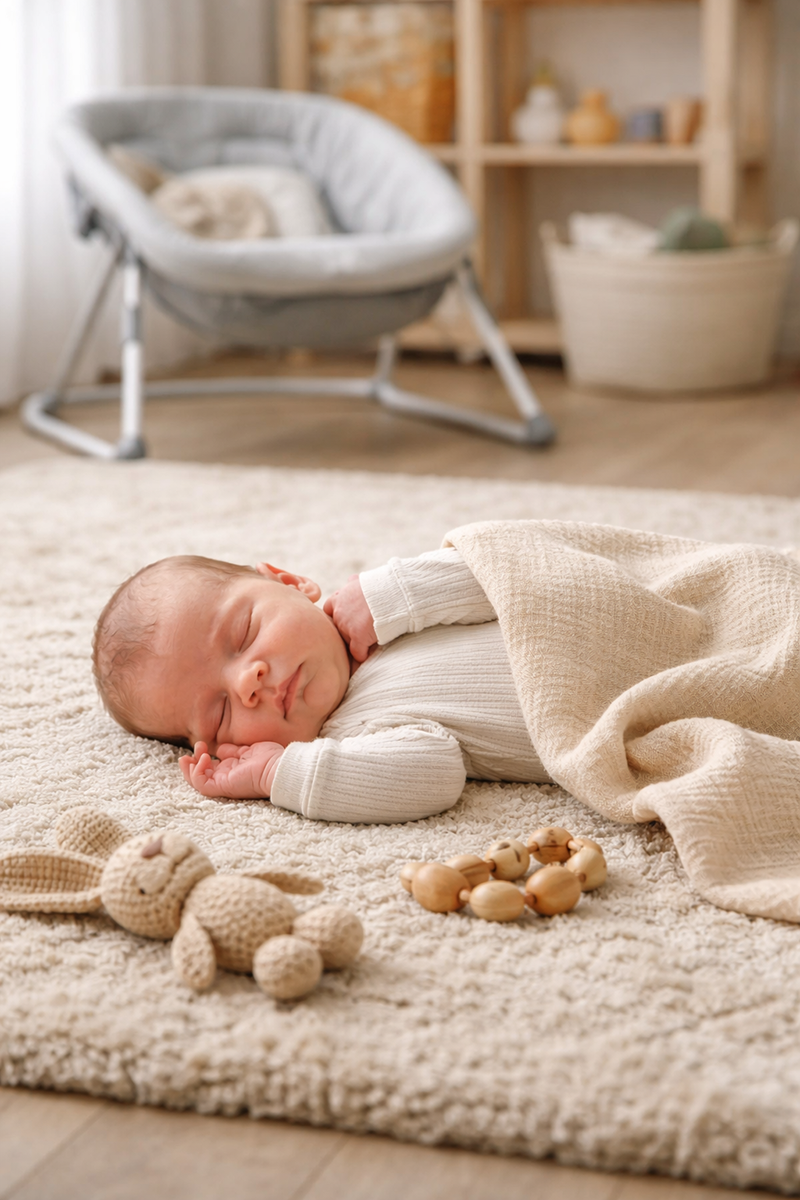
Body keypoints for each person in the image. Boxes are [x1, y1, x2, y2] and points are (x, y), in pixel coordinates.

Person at [93, 549, 550, 823]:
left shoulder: (375, 605)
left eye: (244, 632)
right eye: (221, 713)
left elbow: (511, 570)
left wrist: (395, 592)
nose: (246, 683)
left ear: (290, 582)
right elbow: (435, 775)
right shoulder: (350, 742)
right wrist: (280, 773)